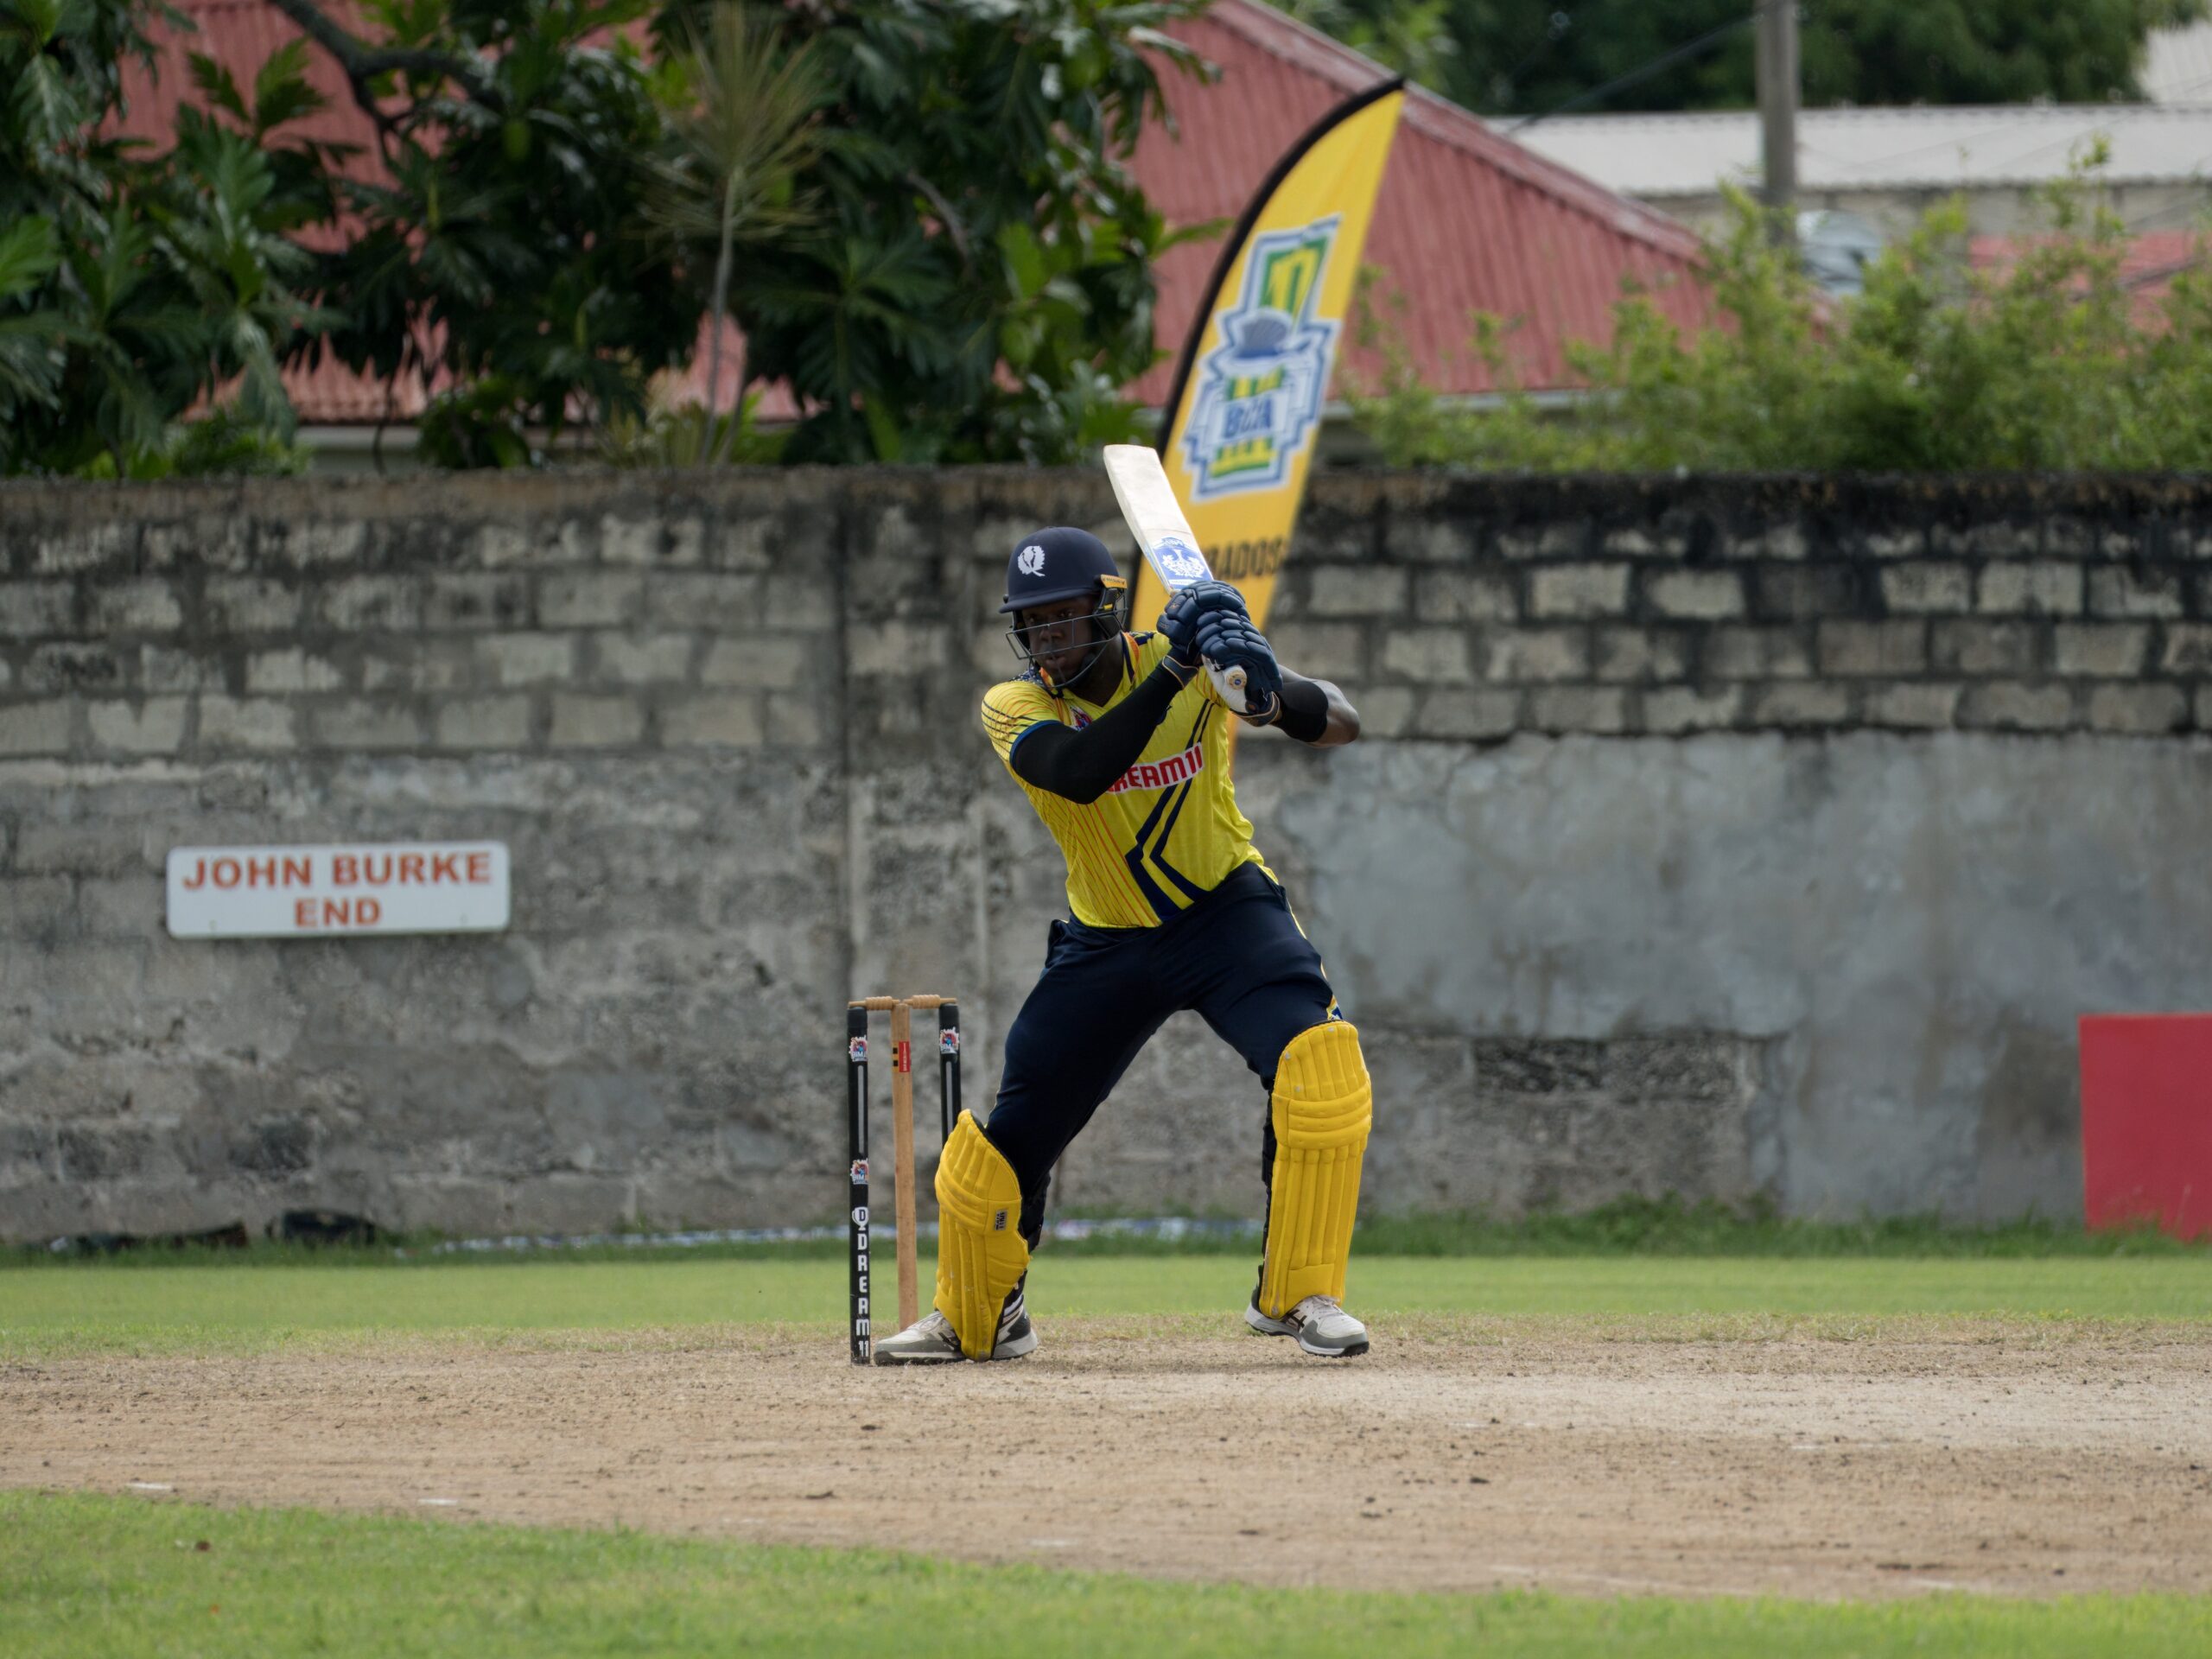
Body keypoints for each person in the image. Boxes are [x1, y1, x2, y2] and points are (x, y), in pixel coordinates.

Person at [875, 525, 1375, 1364]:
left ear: (1108, 612)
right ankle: (980, 1315)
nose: (1047, 643)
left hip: (1225, 914)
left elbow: (1342, 724)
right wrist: (1183, 669)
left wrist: (1263, 688)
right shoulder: (1016, 706)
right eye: (1032, 626)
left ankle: (1298, 1294)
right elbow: (1081, 770)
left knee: (1319, 1066)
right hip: (1105, 940)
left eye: (1064, 620)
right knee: (1010, 1139)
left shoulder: (1185, 660)